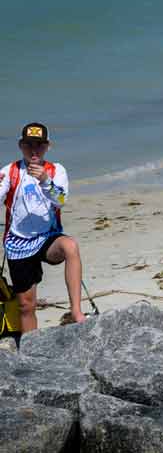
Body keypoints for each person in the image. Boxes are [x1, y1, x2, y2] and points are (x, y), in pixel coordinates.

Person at [1, 123, 85, 332]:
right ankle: (31, 350)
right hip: (18, 242)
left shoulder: (56, 170)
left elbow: (61, 200)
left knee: (70, 246)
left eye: (39, 145)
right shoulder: (10, 171)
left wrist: (45, 180)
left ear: (48, 147)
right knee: (26, 305)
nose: (34, 150)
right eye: (28, 145)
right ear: (21, 145)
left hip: (48, 238)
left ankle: (76, 311)